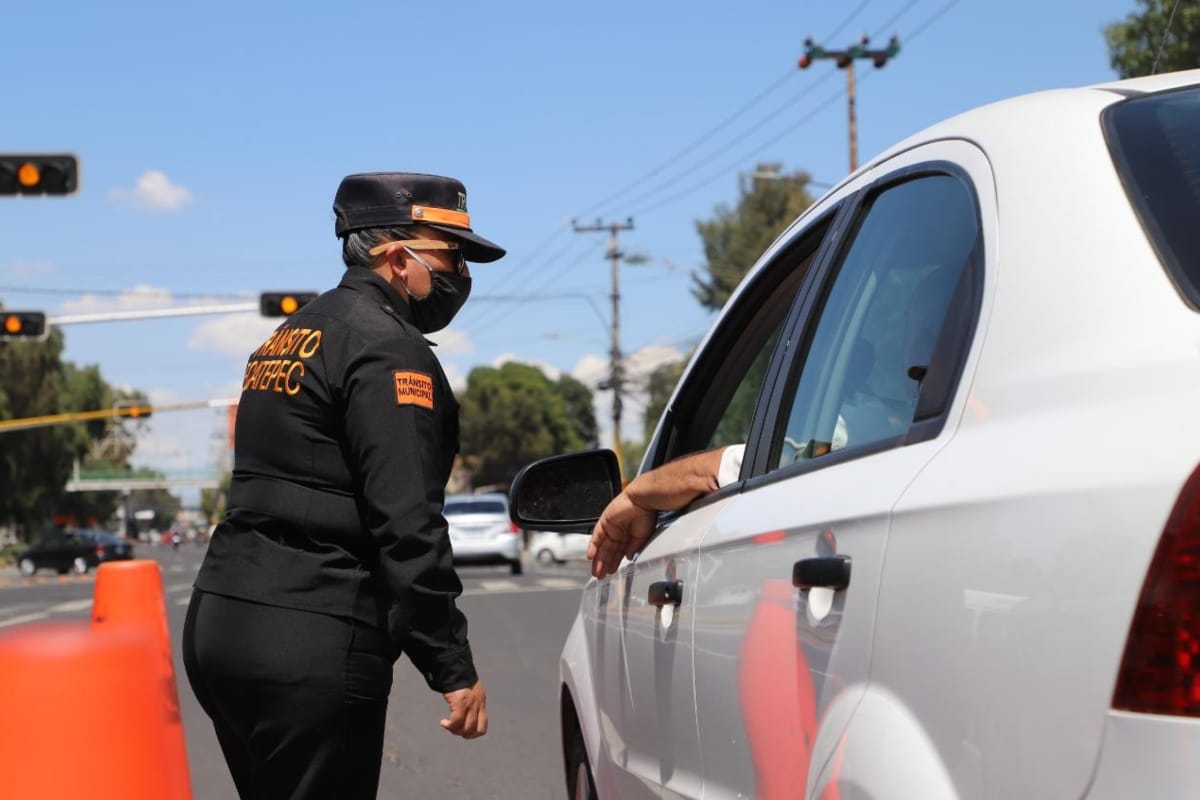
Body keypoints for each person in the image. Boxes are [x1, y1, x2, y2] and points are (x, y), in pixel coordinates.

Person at [183, 172, 504, 799]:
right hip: (310, 635)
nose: (461, 272)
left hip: (223, 623)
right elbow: (407, 523)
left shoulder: (290, 335)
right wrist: (451, 664)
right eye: (450, 253)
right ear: (395, 254)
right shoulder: (388, 349)